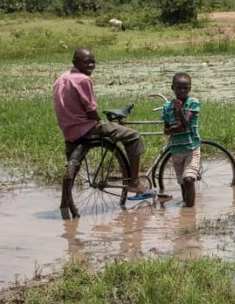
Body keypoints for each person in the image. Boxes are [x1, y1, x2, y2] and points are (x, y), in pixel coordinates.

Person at [54, 48, 151, 212]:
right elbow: (90, 109)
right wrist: (99, 120)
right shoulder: (83, 80)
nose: (91, 65)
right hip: (86, 127)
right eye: (86, 62)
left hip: (69, 131)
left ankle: (64, 203)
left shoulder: (61, 79)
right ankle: (134, 182)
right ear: (75, 62)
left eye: (93, 62)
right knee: (134, 136)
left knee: (72, 167)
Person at [161, 72, 201, 207]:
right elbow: (166, 129)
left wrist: (179, 112)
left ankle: (190, 213)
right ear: (173, 88)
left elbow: (186, 123)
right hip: (176, 149)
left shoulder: (193, 103)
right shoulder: (167, 107)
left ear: (190, 88)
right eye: (179, 88)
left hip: (191, 148)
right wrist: (172, 128)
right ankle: (185, 205)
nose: (182, 91)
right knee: (183, 183)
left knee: (189, 179)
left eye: (185, 88)